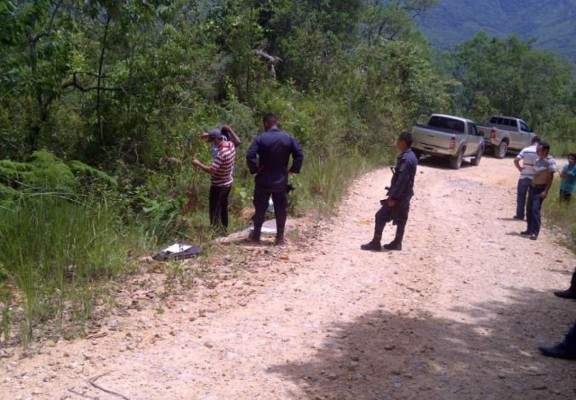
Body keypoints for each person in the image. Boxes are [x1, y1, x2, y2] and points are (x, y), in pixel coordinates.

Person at [246, 113, 304, 245]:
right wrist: (292, 169)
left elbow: (250, 155)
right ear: (276, 123)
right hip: (280, 179)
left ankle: (256, 236)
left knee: (260, 208)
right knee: (280, 209)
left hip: (263, 179)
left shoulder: (261, 138)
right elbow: (299, 154)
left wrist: (255, 169)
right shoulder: (288, 138)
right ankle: (279, 238)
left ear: (266, 123)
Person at [361, 131, 418, 251]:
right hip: (406, 195)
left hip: (400, 195)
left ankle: (376, 242)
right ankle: (397, 243)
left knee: (380, 216)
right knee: (402, 218)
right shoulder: (412, 156)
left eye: (398, 140)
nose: (397, 143)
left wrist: (393, 197)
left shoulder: (406, 159)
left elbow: (401, 180)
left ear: (403, 142)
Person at [192, 129, 237, 234]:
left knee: (214, 210)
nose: (213, 143)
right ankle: (224, 231)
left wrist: (198, 163)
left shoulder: (221, 154)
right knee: (223, 208)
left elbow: (211, 170)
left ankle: (216, 233)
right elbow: (224, 137)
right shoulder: (230, 145)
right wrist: (209, 134)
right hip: (227, 183)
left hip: (218, 186)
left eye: (213, 141)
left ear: (217, 139)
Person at [521, 142, 556, 240]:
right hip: (533, 187)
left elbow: (550, 178)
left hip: (540, 189)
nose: (537, 151)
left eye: (539, 150)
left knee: (535, 210)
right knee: (529, 209)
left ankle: (534, 232)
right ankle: (529, 229)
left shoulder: (550, 162)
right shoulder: (538, 159)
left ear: (545, 150)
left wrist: (546, 191)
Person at [513, 136, 541, 220]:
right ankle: (530, 216)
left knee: (521, 196)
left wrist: (520, 168)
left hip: (524, 176)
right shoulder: (540, 151)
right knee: (532, 198)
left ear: (531, 142)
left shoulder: (526, 150)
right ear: (539, 143)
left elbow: (516, 160)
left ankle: (520, 215)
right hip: (535, 178)